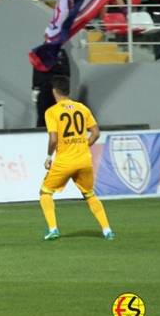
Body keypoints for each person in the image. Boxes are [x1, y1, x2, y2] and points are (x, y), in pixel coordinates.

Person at [39, 75, 114, 241]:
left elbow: (53, 139)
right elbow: (96, 133)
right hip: (84, 160)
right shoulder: (82, 108)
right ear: (68, 90)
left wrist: (48, 156)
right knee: (89, 194)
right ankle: (107, 230)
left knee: (45, 192)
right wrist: (83, 145)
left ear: (54, 91)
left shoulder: (52, 112)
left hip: (65, 161)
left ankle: (53, 229)